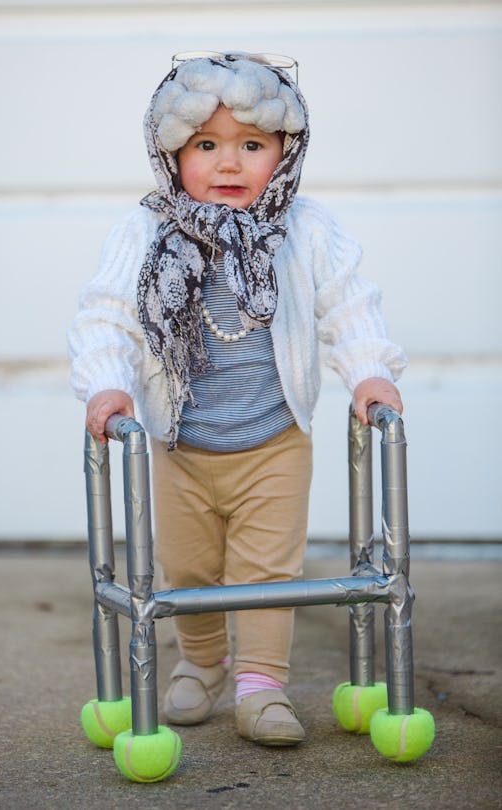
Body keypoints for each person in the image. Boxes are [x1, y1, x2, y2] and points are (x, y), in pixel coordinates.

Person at [68, 51, 406, 747]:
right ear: (171, 154)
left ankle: (260, 685)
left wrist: (369, 369)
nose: (229, 164)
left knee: (265, 571)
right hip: (180, 445)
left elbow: (349, 302)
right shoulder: (148, 233)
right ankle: (199, 662)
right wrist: (107, 381)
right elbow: (106, 314)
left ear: (284, 153)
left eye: (251, 146)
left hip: (274, 442)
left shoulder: (302, 230)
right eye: (206, 146)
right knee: (188, 568)